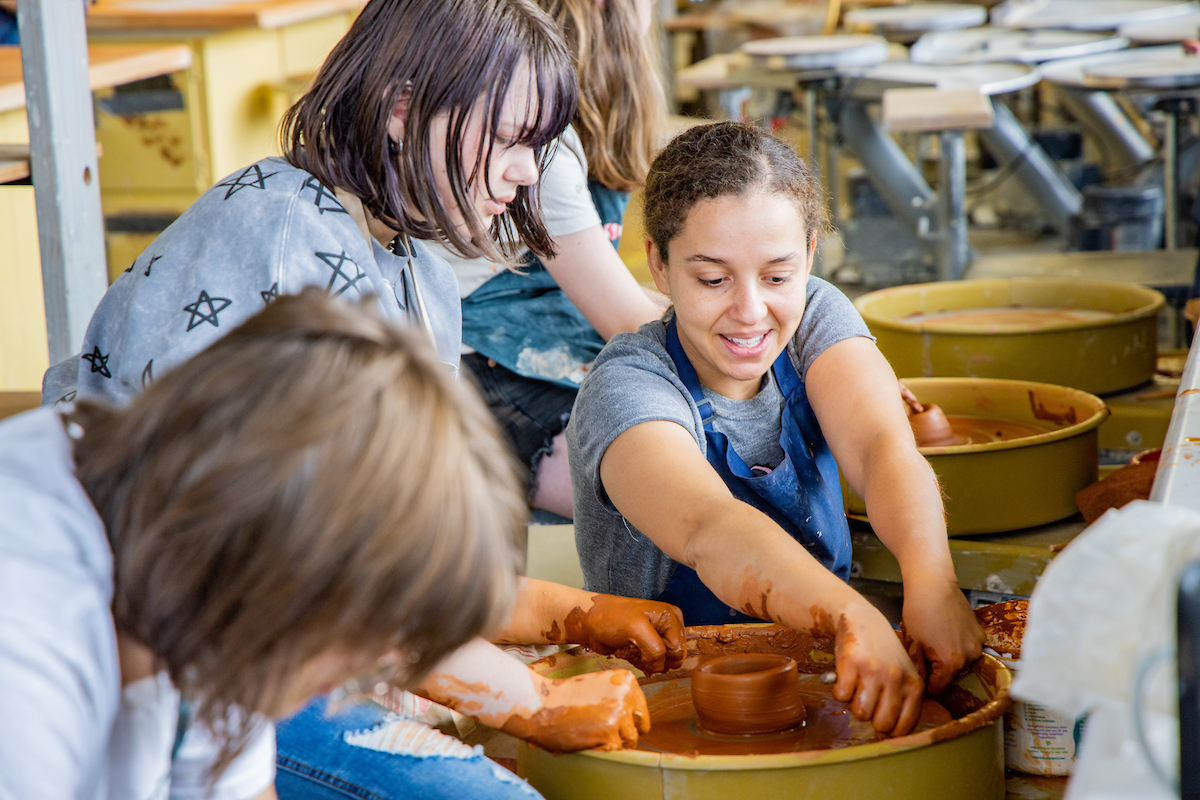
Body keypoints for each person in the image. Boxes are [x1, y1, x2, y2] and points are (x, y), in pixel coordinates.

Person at [35, 0, 684, 795]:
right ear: (403, 108)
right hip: (162, 643)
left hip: (256, 629)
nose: (526, 173)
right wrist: (536, 699)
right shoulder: (277, 243)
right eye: (513, 140)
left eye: (540, 148)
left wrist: (574, 614)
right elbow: (304, 577)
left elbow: (399, 558)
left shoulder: (419, 272)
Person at [0, 290, 531, 799]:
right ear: (294, 569)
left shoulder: (209, 571)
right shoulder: (28, 644)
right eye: (367, 640)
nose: (365, 673)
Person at [567, 121, 984, 738]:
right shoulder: (627, 390)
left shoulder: (815, 313)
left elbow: (879, 448)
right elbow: (712, 530)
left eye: (777, 275)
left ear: (810, 255)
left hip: (820, 674)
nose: (750, 310)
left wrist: (932, 581)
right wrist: (851, 616)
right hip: (668, 707)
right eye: (712, 279)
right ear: (659, 263)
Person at [426, 0, 668, 517]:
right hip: (476, 360)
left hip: (535, 319)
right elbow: (629, 319)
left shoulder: (566, 131)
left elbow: (611, 287)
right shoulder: (548, 152)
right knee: (656, 496)